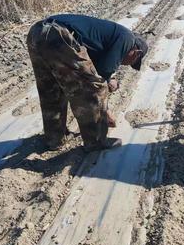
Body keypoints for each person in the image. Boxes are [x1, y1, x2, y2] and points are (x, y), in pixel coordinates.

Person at [26, 14, 148, 152]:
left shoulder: (113, 35)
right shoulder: (127, 39)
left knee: (51, 89)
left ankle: (54, 139)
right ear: (136, 53)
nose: (126, 65)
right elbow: (101, 75)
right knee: (93, 89)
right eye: (132, 63)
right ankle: (96, 141)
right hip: (60, 35)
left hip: (37, 32)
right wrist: (106, 112)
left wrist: (108, 79)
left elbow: (90, 65)